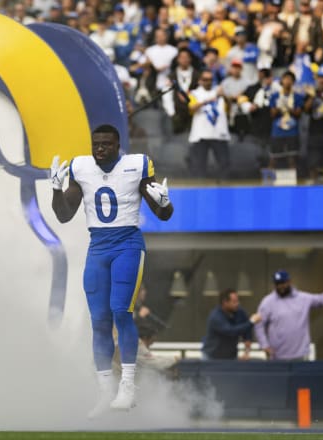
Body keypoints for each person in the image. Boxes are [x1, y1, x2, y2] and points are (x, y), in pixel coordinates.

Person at [50, 124, 174, 414]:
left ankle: (128, 386)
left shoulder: (137, 165)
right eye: (96, 143)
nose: (100, 148)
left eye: (106, 144)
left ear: (118, 146)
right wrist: (56, 190)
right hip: (98, 247)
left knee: (121, 311)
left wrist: (166, 204)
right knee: (99, 320)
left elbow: (163, 214)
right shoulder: (81, 167)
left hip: (127, 244)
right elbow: (64, 214)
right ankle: (105, 389)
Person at [255, 270, 323, 361]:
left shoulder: (302, 298)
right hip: (277, 356)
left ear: (289, 282)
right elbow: (258, 325)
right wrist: (264, 345)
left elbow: (321, 299)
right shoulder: (267, 302)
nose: (280, 286)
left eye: (283, 283)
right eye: (278, 284)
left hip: (300, 355)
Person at [187, 69, 231, 179]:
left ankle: (223, 188)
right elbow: (191, 108)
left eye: (211, 79)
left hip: (219, 133)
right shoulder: (194, 94)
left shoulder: (219, 93)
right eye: (205, 79)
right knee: (199, 166)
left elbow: (229, 109)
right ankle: (200, 189)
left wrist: (224, 96)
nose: (208, 82)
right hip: (201, 134)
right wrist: (207, 100)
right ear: (200, 81)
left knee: (224, 164)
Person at [202, 288, 262, 360]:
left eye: (237, 301)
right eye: (234, 302)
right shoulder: (215, 316)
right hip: (212, 357)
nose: (237, 304)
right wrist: (251, 322)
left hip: (231, 357)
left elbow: (247, 331)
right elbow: (230, 331)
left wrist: (247, 352)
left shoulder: (239, 312)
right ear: (225, 302)